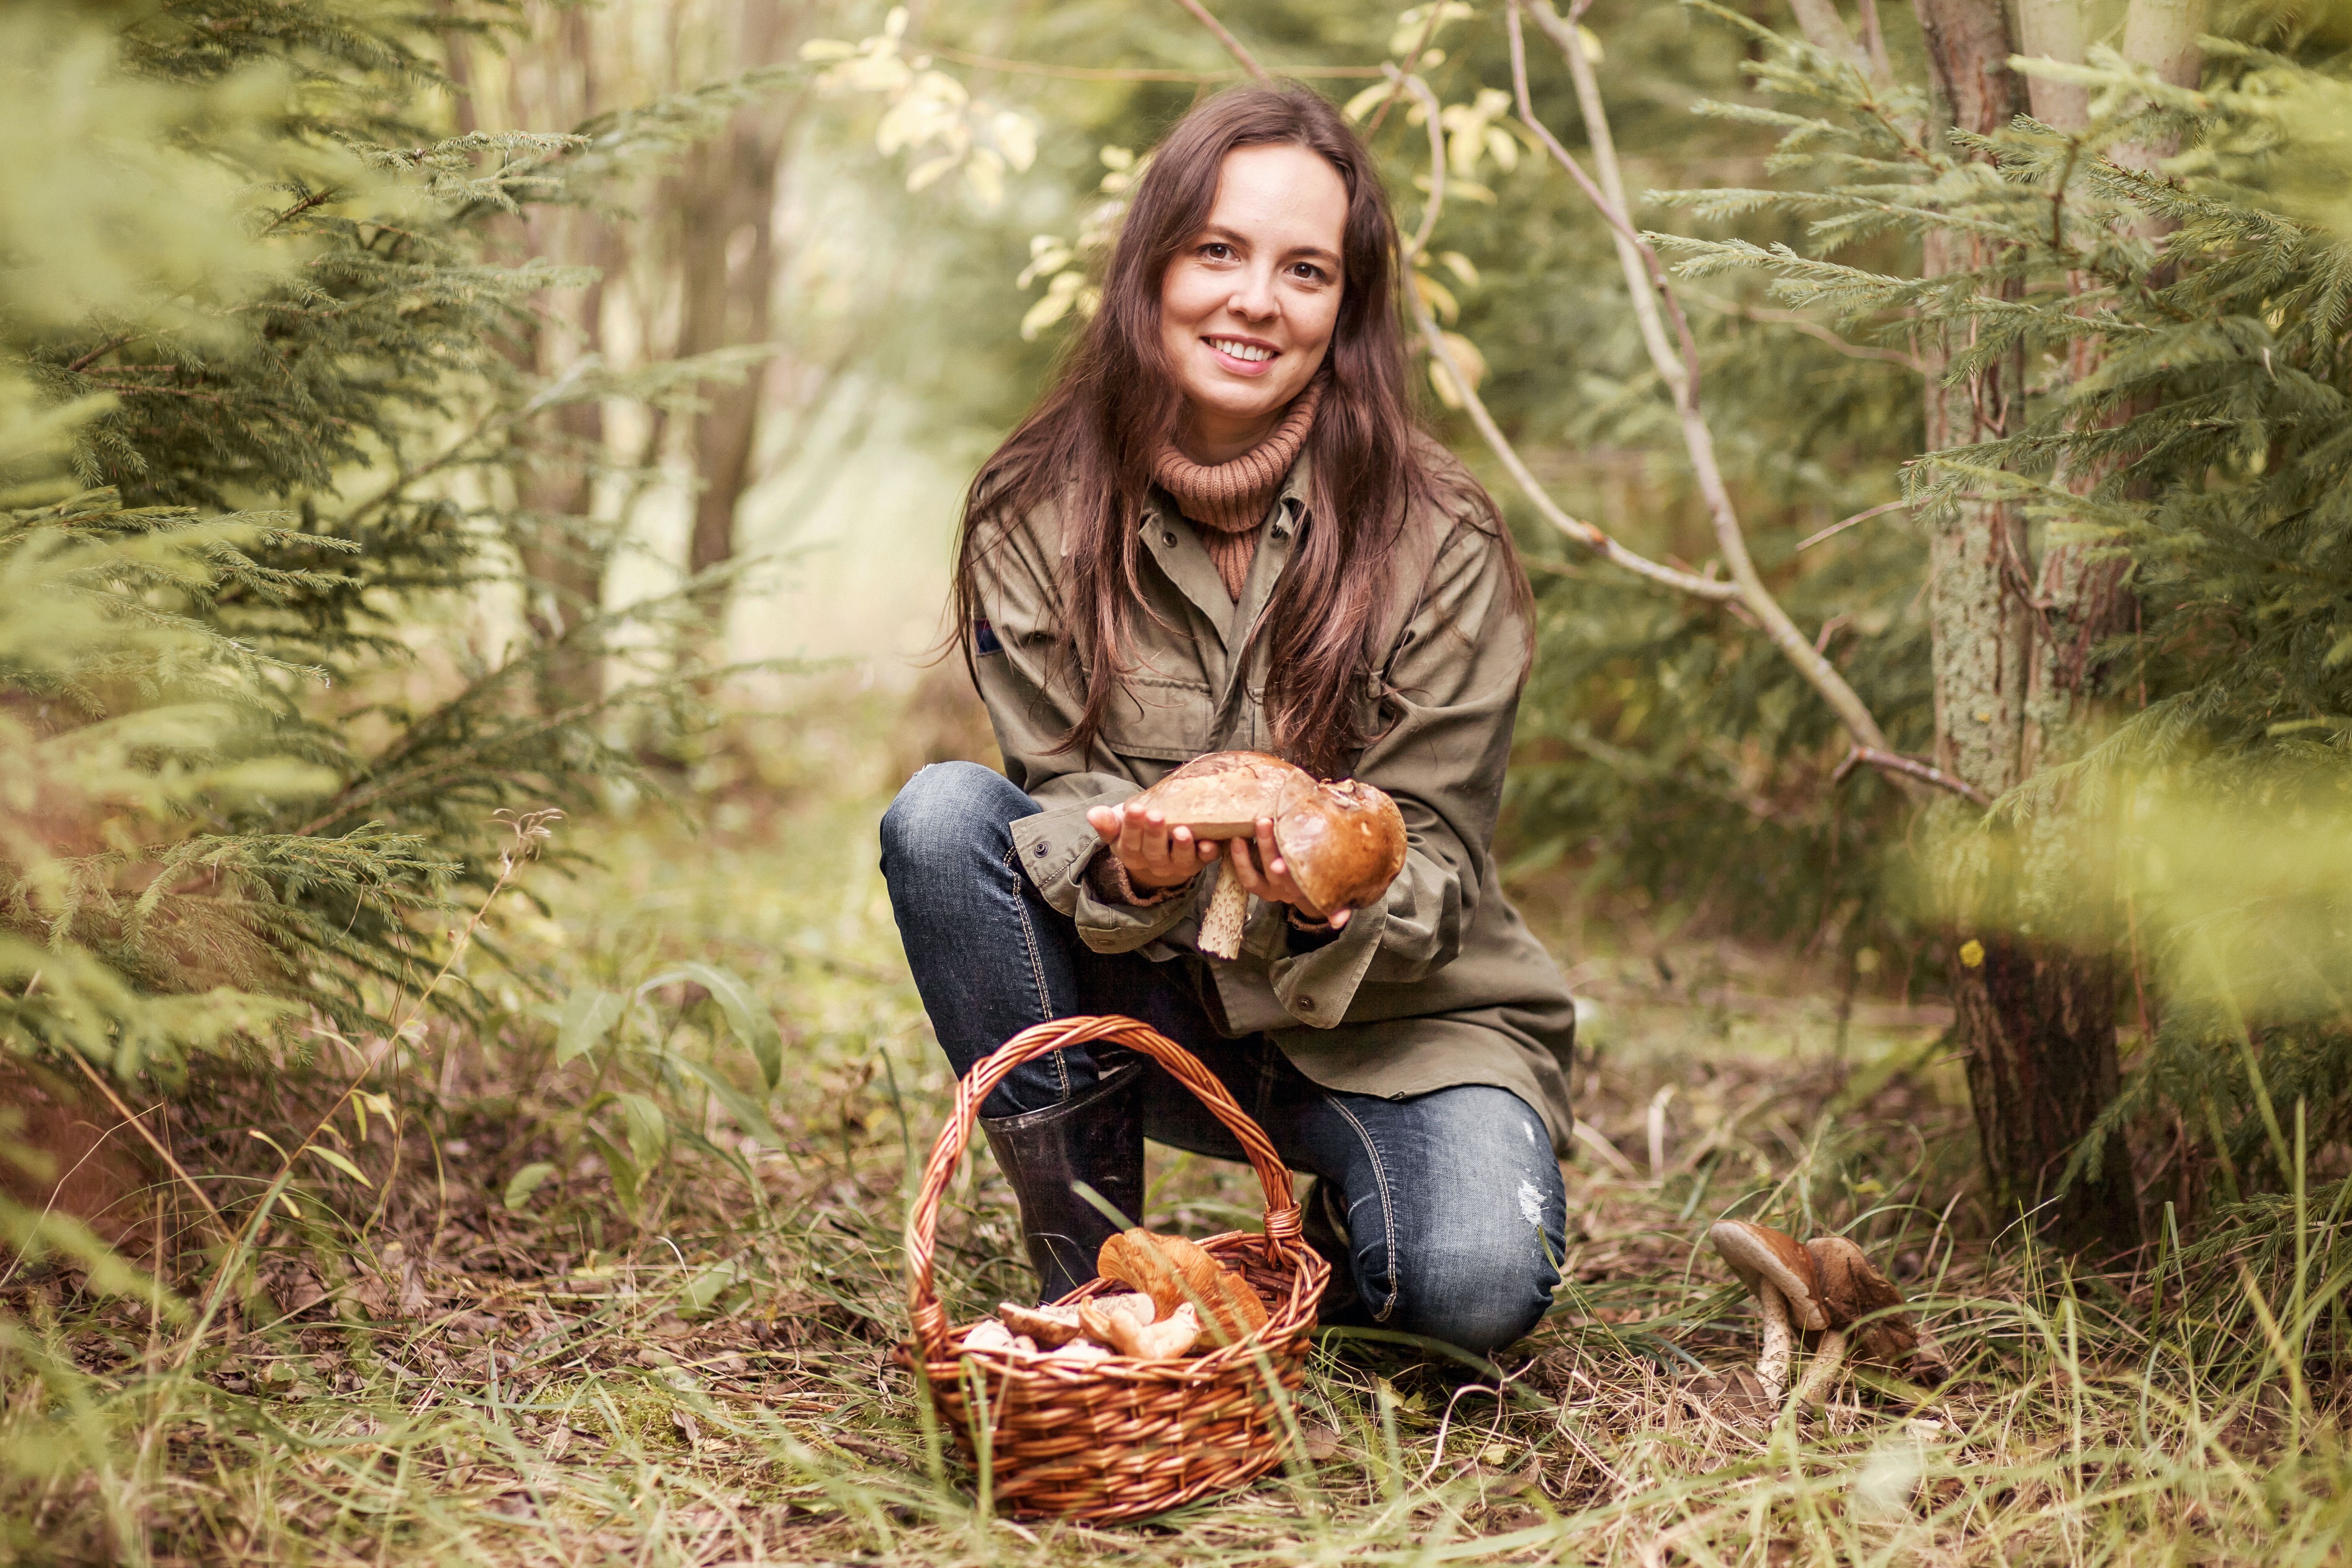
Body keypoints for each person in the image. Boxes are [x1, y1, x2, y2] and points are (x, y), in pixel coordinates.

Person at [879, 83, 1578, 1354]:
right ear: (1151, 268)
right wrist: (1124, 861)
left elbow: (1440, 865)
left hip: (1396, 1027)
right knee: (941, 821)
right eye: (1219, 250)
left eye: (1305, 269)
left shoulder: (1442, 536)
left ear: (1344, 310)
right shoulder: (1033, 515)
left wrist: (1326, 895)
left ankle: (1311, 1256)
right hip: (1155, 1005)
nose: (1256, 299)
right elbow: (1050, 800)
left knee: (1472, 1290)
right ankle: (1094, 1279)